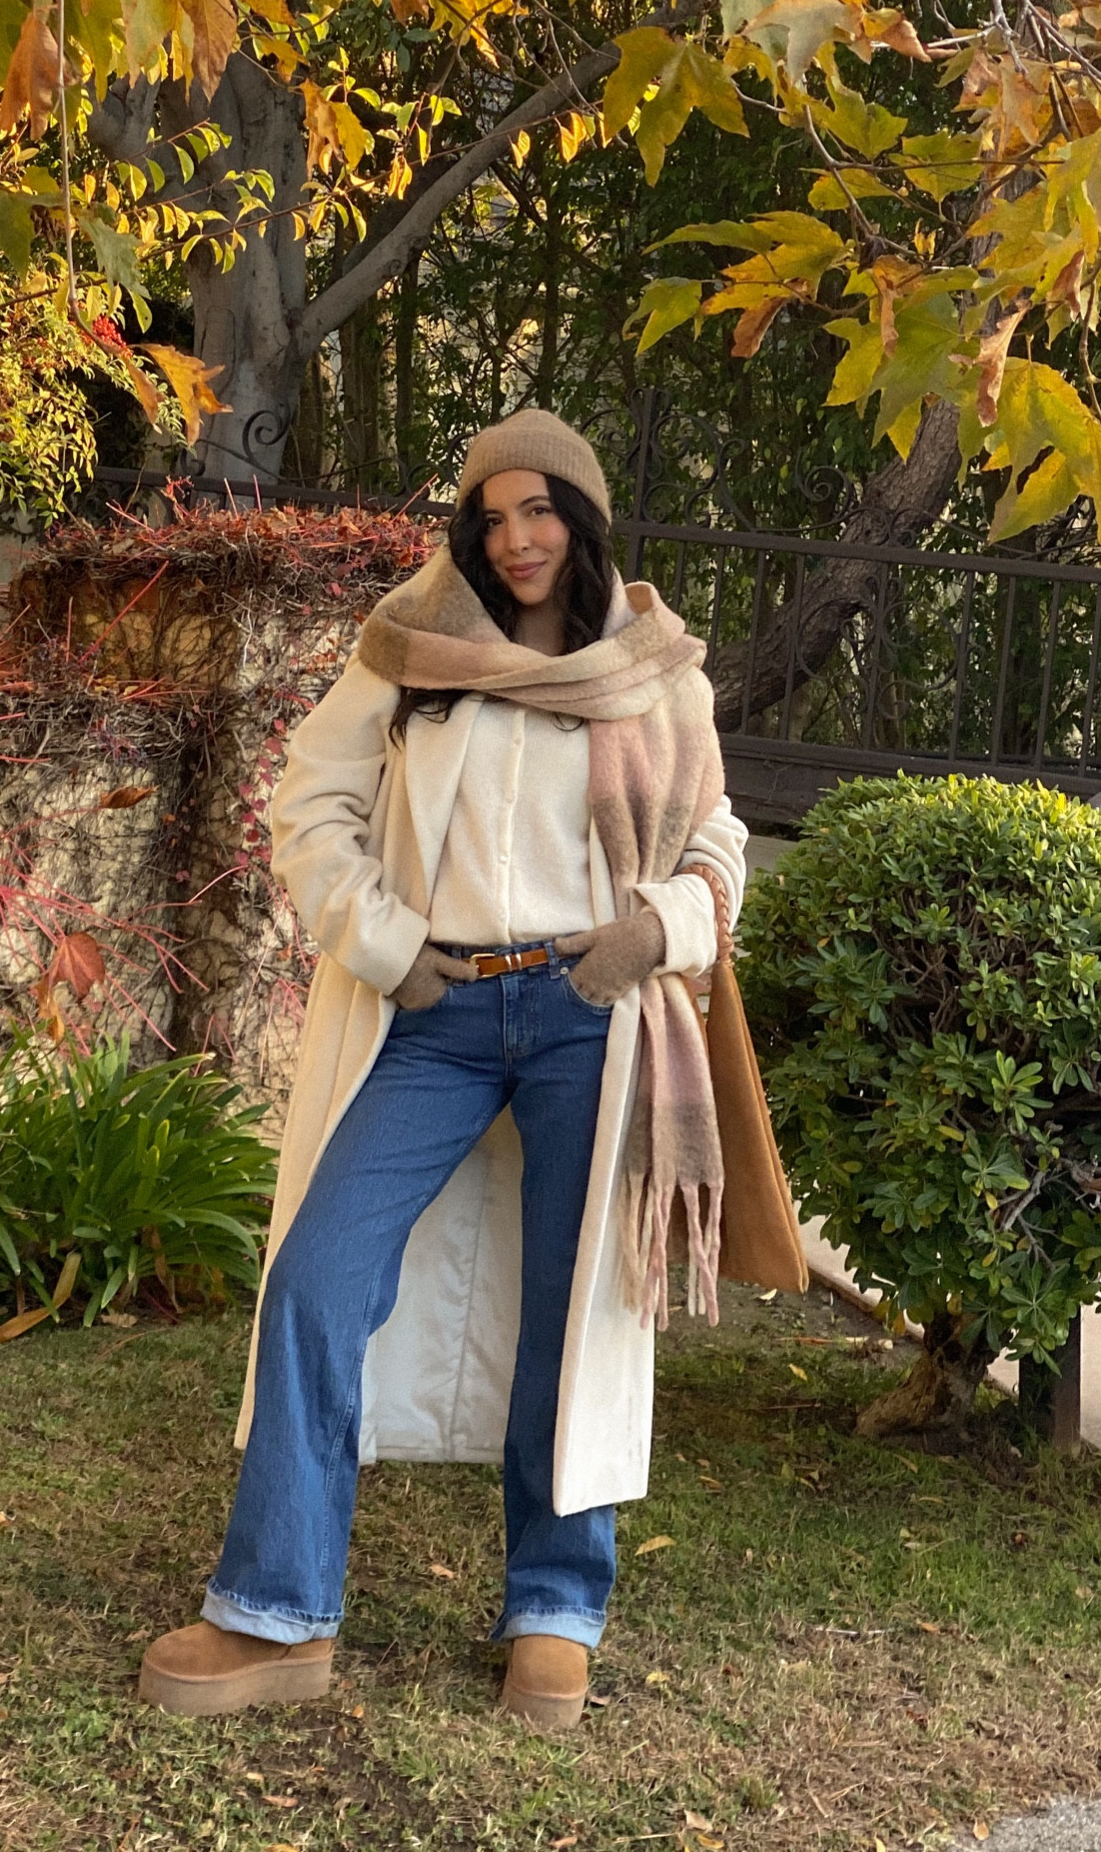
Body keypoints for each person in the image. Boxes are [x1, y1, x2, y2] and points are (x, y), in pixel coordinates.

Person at [138, 408, 750, 1730]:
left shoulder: (652, 672)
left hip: (591, 1013)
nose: (514, 538)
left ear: (582, 522)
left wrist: (659, 929)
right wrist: (387, 943)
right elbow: (311, 804)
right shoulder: (410, 654)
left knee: (570, 1307)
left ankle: (553, 1605)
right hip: (435, 1011)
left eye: (539, 512)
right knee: (316, 1272)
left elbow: (717, 841)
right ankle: (275, 1611)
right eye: (489, 515)